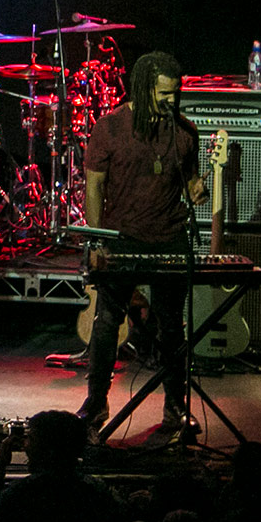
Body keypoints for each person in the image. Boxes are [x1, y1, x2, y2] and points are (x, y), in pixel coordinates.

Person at [75, 51, 206, 436]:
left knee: (172, 326)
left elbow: (190, 182)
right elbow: (94, 188)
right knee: (106, 324)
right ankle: (96, 404)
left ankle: (175, 407)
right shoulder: (111, 127)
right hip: (122, 238)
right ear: (143, 88)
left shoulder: (185, 131)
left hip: (169, 239)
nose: (171, 101)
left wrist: (199, 189)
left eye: (174, 94)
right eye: (164, 94)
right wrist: (97, 240)